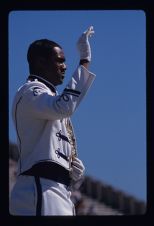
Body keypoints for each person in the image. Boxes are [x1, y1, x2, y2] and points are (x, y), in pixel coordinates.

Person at [10, 26, 96, 216]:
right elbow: (63, 107)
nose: (64, 66)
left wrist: (67, 166)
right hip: (40, 187)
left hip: (58, 189)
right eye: (59, 61)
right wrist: (84, 61)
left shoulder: (48, 96)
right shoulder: (30, 91)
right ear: (40, 63)